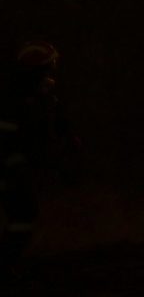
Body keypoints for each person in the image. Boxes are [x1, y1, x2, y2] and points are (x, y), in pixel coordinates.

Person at [1, 41, 71, 271]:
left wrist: (69, 140)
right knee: (23, 211)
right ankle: (9, 261)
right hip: (10, 167)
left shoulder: (41, 98)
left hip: (18, 165)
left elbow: (55, 123)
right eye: (49, 67)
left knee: (22, 212)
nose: (52, 73)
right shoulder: (15, 99)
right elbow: (8, 137)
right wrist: (16, 162)